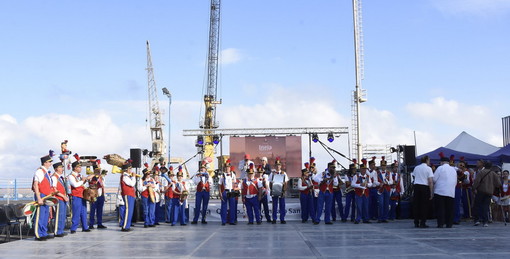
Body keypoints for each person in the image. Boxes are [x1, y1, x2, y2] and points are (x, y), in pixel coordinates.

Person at [472, 161, 502, 227]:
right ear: (491, 166)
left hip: (481, 191)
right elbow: (498, 184)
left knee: (477, 205)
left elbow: (476, 182)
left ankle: (477, 220)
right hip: (489, 192)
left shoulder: (481, 172)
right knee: (485, 206)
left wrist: (473, 188)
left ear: (484, 166)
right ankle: (485, 221)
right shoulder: (493, 173)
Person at [32, 155, 54, 241]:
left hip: (47, 196)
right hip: (41, 195)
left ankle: (43, 233)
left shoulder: (46, 172)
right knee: (40, 216)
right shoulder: (40, 171)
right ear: (45, 163)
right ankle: (38, 234)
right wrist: (38, 198)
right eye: (49, 162)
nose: (50, 163)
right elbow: (36, 185)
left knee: (45, 216)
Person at [433, 153, 458, 228]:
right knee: (449, 209)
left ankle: (440, 223)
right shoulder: (453, 170)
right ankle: (449, 223)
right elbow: (456, 181)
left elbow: (434, 179)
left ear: (442, 162)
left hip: (440, 191)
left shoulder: (440, 168)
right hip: (450, 192)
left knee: (440, 208)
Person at [68, 160, 93, 233]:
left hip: (82, 195)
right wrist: (83, 181)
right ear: (75, 168)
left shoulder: (80, 176)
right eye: (79, 167)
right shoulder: (71, 176)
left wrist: (88, 178)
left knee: (84, 212)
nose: (80, 169)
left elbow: (84, 182)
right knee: (76, 212)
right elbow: (75, 185)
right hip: (76, 196)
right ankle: (73, 228)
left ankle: (85, 226)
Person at [411, 156, 434, 228]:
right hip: (424, 187)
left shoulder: (416, 168)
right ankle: (423, 222)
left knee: (416, 205)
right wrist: (431, 192)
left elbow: (414, 177)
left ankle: (416, 221)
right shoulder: (428, 169)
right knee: (424, 206)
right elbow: (430, 181)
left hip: (417, 186)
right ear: (426, 160)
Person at [51, 162, 69, 238]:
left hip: (63, 199)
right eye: (61, 167)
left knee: (63, 215)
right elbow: (54, 189)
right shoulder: (54, 177)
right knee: (59, 215)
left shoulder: (59, 178)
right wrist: (63, 196)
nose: (62, 169)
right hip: (59, 198)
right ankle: (57, 231)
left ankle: (61, 230)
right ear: (56, 169)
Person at [351, 159, 372, 224]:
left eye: (365, 169)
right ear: (360, 169)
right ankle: (358, 218)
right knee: (359, 206)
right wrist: (360, 185)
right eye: (363, 169)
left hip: (365, 193)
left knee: (366, 206)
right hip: (359, 193)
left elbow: (371, 184)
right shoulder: (356, 176)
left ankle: (366, 218)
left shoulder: (368, 176)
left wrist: (366, 184)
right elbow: (352, 184)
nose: (364, 170)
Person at [269, 158, 289, 224]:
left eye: (279, 165)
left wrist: (284, 191)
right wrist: (272, 190)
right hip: (275, 191)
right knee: (274, 205)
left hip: (281, 191)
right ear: (275, 166)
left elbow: (286, 183)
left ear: (281, 166)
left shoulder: (284, 173)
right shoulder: (272, 174)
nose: (278, 166)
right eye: (277, 165)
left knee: (282, 205)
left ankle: (282, 219)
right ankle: (274, 219)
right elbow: (270, 182)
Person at [219, 161, 237, 225]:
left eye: (228, 167)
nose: (227, 168)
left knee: (232, 206)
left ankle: (231, 221)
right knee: (224, 207)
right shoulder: (222, 175)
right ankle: (223, 221)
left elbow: (235, 183)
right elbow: (219, 184)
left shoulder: (233, 174)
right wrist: (220, 193)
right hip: (225, 191)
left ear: (230, 168)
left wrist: (235, 192)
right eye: (226, 167)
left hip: (231, 191)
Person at [89, 164, 107, 229]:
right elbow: (90, 185)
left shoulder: (101, 177)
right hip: (94, 195)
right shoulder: (91, 177)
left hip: (100, 195)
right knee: (93, 210)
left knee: (100, 210)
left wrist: (104, 195)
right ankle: (91, 224)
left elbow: (103, 186)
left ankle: (100, 223)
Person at [119, 163, 136, 232]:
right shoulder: (125, 176)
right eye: (130, 169)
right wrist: (134, 177)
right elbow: (132, 184)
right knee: (128, 210)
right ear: (127, 169)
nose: (131, 170)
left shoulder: (128, 176)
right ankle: (125, 226)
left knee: (130, 211)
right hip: (127, 194)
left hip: (130, 195)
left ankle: (127, 225)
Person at [377, 157, 392, 223]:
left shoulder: (389, 173)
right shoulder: (377, 173)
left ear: (386, 166)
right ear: (381, 166)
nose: (383, 167)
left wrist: (387, 182)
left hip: (387, 189)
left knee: (386, 204)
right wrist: (379, 183)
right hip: (380, 190)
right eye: (382, 166)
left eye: (384, 166)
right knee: (381, 203)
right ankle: (380, 218)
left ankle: (385, 218)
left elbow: (391, 181)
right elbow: (374, 181)